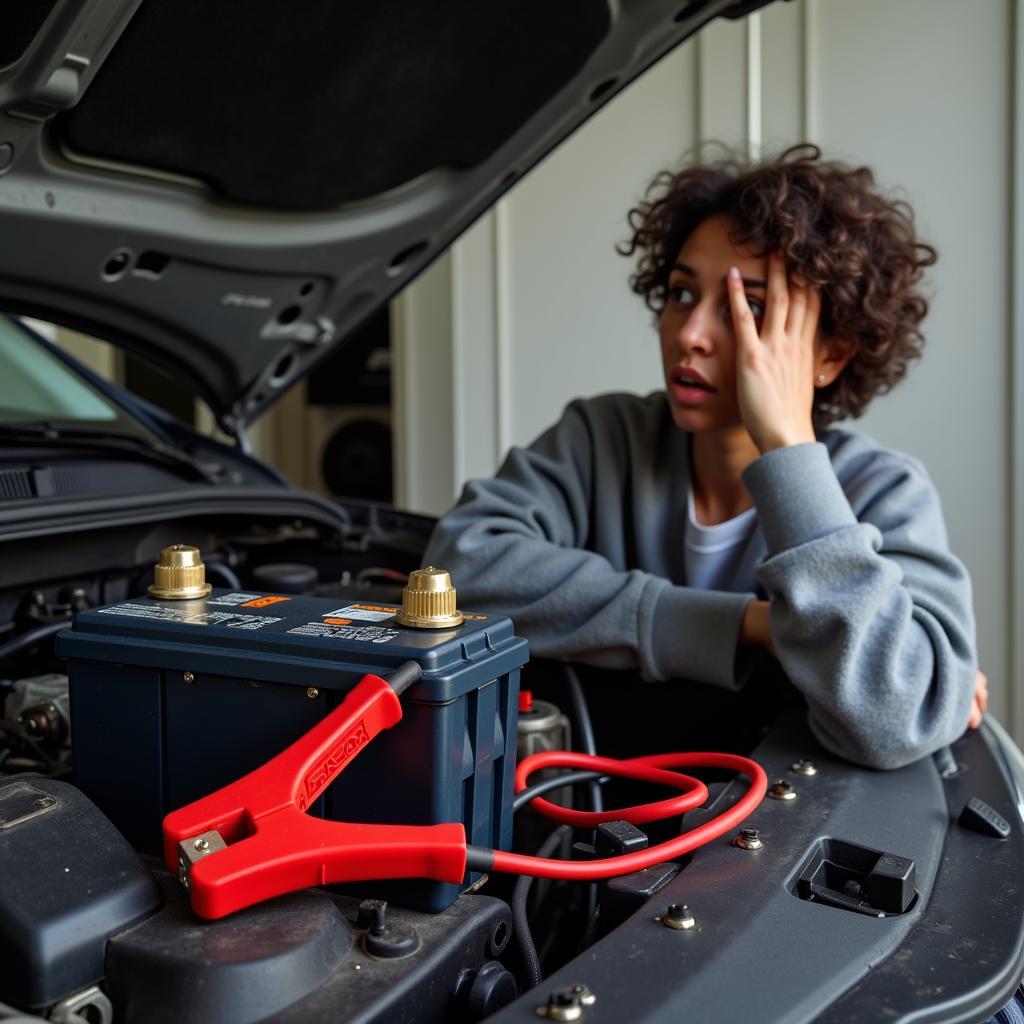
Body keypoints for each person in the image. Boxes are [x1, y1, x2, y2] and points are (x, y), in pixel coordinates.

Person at [423, 144, 986, 770]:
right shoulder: (601, 437)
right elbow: (458, 573)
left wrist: (788, 447)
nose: (691, 333)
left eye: (750, 310)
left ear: (831, 356)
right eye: (683, 293)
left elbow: (899, 714)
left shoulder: (884, 492)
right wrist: (748, 626)